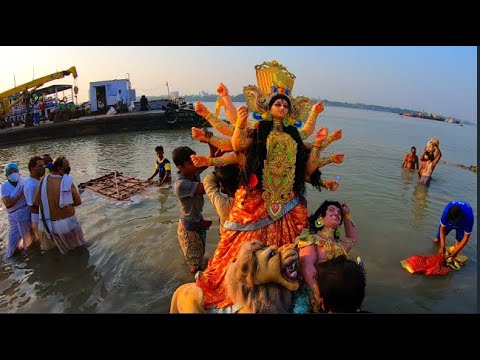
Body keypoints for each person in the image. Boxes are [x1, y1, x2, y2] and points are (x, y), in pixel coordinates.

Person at [190, 60, 344, 310]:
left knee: (292, 251)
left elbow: (308, 147)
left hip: (289, 201)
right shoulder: (258, 130)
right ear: (268, 107)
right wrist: (210, 122)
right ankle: (241, 289)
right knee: (240, 247)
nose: (282, 106)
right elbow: (235, 142)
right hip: (257, 199)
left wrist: (318, 126)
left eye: (285, 104)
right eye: (278, 103)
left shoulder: (294, 136)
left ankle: (287, 290)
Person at [296, 200, 358, 312]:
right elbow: (307, 266)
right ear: (320, 217)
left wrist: (346, 215)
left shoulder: (339, 244)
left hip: (336, 294)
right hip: (313, 291)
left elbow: (352, 238)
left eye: (339, 213)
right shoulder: (309, 236)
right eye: (332, 210)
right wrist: (319, 295)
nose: (337, 213)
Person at [33, 156, 86, 254]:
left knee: (65, 252)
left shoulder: (43, 181)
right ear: (59, 168)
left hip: (53, 225)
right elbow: (78, 202)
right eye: (66, 166)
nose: (68, 168)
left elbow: (36, 202)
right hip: (69, 223)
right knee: (80, 249)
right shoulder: (67, 181)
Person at [172, 146, 211, 274]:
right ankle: (193, 285)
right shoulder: (181, 184)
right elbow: (206, 188)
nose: (195, 166)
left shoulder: (192, 172)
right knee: (195, 266)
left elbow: (209, 161)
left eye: (195, 162)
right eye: (190, 163)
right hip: (189, 228)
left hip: (196, 221)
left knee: (199, 255)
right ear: (180, 167)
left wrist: (210, 143)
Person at [1, 163, 34, 259]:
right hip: (14, 216)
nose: (13, 174)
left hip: (27, 213)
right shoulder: (4, 186)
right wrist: (21, 193)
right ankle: (9, 258)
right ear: (6, 175)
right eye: (10, 172)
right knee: (13, 241)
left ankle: (31, 253)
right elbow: (8, 203)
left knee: (31, 235)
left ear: (18, 172)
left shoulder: (24, 182)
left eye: (15, 171)